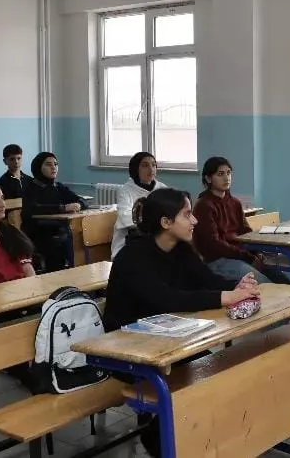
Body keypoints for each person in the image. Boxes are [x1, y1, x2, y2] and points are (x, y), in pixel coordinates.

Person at [104, 188, 260, 457]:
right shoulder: (132, 257)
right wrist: (227, 297)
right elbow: (167, 299)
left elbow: (207, 280)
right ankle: (159, 440)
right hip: (129, 349)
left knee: (216, 371)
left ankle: (196, 440)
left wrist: (238, 285)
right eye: (187, 214)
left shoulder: (180, 249)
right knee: (200, 378)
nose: (194, 220)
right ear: (166, 222)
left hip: (168, 340)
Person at [192, 156, 290, 285]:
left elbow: (246, 232)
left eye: (228, 173)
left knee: (281, 280)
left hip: (240, 256)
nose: (226, 178)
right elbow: (213, 244)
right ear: (208, 178)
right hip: (218, 261)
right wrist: (246, 257)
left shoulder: (235, 203)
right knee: (264, 284)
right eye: (220, 174)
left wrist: (256, 252)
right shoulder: (204, 205)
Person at [22, 152, 89, 272]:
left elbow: (81, 200)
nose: (53, 167)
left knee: (80, 238)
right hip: (38, 233)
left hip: (59, 230)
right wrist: (62, 208)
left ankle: (78, 271)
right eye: (48, 164)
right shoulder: (30, 188)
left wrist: (79, 204)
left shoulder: (58, 186)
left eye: (56, 164)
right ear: (38, 167)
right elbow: (33, 209)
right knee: (60, 243)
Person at [110, 151, 167, 259]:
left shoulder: (162, 188)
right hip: (128, 241)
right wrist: (152, 223)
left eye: (153, 165)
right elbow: (125, 216)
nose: (151, 169)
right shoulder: (125, 190)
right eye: (145, 165)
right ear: (135, 168)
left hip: (158, 237)